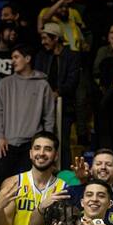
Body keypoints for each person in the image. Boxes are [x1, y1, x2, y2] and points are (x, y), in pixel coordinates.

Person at [0, 45, 56, 186]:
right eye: (12, 58)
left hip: (32, 144)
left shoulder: (42, 85)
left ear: (27, 59)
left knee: (30, 184)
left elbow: (49, 116)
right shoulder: (5, 83)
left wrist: (46, 142)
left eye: (16, 57)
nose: (13, 61)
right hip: (7, 144)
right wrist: (0, 137)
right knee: (0, 184)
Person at [36, 23, 82, 169]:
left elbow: (72, 80)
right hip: (43, 106)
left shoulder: (72, 56)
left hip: (65, 106)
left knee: (63, 142)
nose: (43, 42)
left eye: (46, 38)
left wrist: (58, 93)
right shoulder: (42, 56)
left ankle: (64, 171)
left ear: (55, 38)